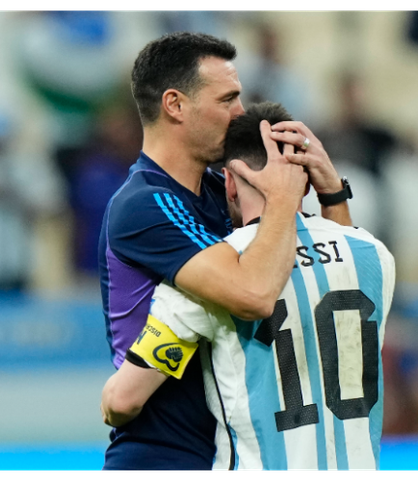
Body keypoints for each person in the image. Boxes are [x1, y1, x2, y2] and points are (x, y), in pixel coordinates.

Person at [99, 33, 352, 472]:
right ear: (175, 105)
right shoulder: (144, 205)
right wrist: (281, 201)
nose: (240, 114)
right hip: (163, 456)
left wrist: (331, 192)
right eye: (227, 100)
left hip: (235, 453)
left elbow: (330, 273)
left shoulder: (223, 192)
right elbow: (253, 295)